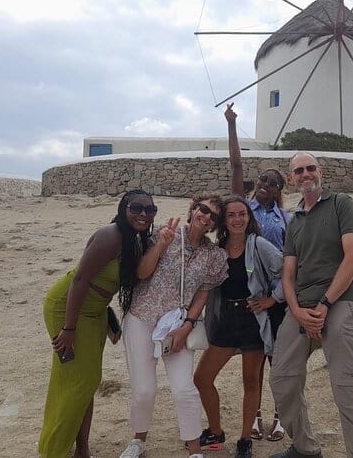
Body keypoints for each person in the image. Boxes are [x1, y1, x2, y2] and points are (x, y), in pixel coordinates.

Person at [269, 152, 353, 458]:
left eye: (310, 168)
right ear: (291, 178)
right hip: (301, 308)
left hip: (339, 302)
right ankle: (305, 448)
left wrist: (326, 303)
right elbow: (288, 274)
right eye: (299, 171)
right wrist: (296, 310)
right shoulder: (295, 220)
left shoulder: (341, 203)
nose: (305, 174)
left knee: (348, 388)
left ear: (321, 171)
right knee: (282, 380)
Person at [39, 190, 155, 458]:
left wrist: (110, 320)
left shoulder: (136, 239)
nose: (143, 214)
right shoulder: (110, 235)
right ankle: (54, 450)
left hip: (96, 311)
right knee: (76, 381)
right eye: (136, 208)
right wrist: (69, 329)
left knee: (87, 382)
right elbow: (80, 280)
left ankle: (82, 448)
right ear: (124, 209)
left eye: (150, 210)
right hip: (68, 309)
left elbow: (110, 286)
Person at [118, 194, 228, 458]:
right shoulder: (165, 234)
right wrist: (160, 246)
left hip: (177, 325)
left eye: (214, 216)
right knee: (144, 390)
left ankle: (194, 449)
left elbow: (203, 292)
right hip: (142, 317)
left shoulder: (213, 255)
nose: (207, 217)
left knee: (184, 388)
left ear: (216, 224)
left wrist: (187, 325)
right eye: (204, 209)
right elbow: (142, 273)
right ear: (193, 209)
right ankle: (138, 440)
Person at [195, 196, 284, 458]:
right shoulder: (218, 249)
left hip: (251, 319)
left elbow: (286, 271)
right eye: (231, 215)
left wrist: (271, 300)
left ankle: (245, 440)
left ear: (249, 217)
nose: (237, 219)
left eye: (242, 214)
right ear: (224, 220)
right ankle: (216, 430)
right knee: (202, 378)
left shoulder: (259, 245)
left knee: (250, 381)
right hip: (225, 319)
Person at [226, 103, 289, 442]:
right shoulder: (242, 208)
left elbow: (290, 258)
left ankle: (279, 416)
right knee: (253, 360)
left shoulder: (286, 218)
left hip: (276, 295)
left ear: (280, 190)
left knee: (277, 358)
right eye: (264, 178)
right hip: (249, 293)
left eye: (274, 182)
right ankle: (256, 416)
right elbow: (237, 164)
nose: (266, 183)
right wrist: (232, 125)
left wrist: (277, 297)